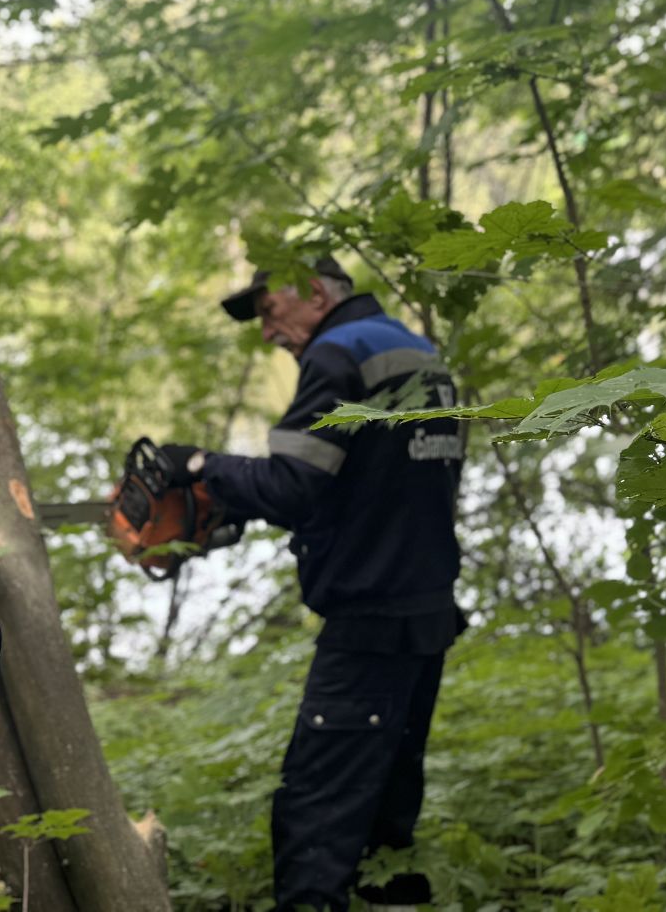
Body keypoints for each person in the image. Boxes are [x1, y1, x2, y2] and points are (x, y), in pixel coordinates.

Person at [160, 256, 463, 911]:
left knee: (317, 816)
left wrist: (197, 463)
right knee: (387, 814)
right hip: (426, 613)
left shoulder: (338, 355)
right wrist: (236, 504)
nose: (268, 333)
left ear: (316, 293)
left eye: (270, 312)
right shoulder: (416, 350)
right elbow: (366, 484)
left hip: (368, 625)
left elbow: (294, 486)